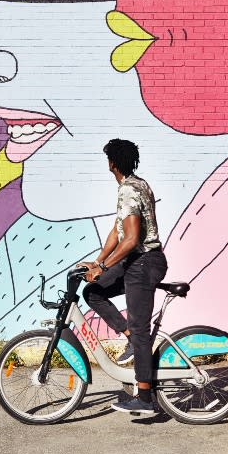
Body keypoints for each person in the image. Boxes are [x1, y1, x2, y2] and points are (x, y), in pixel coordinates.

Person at [82, 138, 167, 416]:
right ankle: (129, 335)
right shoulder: (137, 185)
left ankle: (144, 397)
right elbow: (117, 233)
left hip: (143, 262)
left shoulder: (129, 189)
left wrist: (104, 269)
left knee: (142, 331)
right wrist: (97, 262)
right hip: (137, 261)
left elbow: (130, 240)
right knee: (93, 292)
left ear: (112, 163)